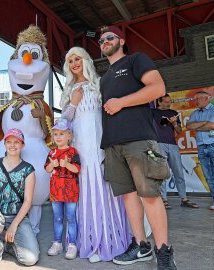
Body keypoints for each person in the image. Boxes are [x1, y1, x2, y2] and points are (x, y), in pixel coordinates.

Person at [98, 26, 176, 269]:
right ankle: (141, 245)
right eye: (101, 40)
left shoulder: (136, 60)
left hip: (139, 139)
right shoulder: (104, 78)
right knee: (129, 197)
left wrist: (121, 102)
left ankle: (164, 251)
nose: (104, 41)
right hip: (113, 144)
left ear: (121, 40)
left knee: (149, 195)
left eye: (109, 37)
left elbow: (157, 88)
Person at [60, 46, 130, 263]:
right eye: (70, 61)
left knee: (104, 187)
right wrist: (73, 101)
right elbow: (65, 120)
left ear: (85, 60)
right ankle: (88, 239)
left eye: (77, 59)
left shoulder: (99, 84)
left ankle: (107, 240)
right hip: (80, 147)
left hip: (100, 143)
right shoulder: (69, 89)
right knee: (85, 190)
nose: (74, 63)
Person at [0, 128, 39, 266]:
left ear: (22, 145)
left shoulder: (28, 169)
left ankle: (8, 244)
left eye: (16, 142)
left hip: (18, 217)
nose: (12, 145)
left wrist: (14, 225)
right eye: (9, 141)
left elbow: (28, 201)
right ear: (4, 144)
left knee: (30, 259)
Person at [152, 94, 198, 209]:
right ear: (159, 102)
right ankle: (163, 199)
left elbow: (179, 131)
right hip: (158, 144)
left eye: (169, 101)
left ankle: (184, 198)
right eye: (166, 102)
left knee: (178, 171)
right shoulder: (152, 113)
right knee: (162, 172)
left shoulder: (173, 112)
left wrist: (174, 123)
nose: (169, 104)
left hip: (172, 145)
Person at [45, 119, 81, 260]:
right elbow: (47, 169)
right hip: (55, 192)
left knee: (71, 218)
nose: (58, 137)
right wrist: (53, 165)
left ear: (69, 136)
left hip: (70, 192)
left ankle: (72, 245)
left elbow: (77, 169)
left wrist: (66, 164)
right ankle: (57, 243)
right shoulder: (52, 152)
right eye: (55, 134)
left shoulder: (73, 152)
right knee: (58, 218)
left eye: (62, 133)